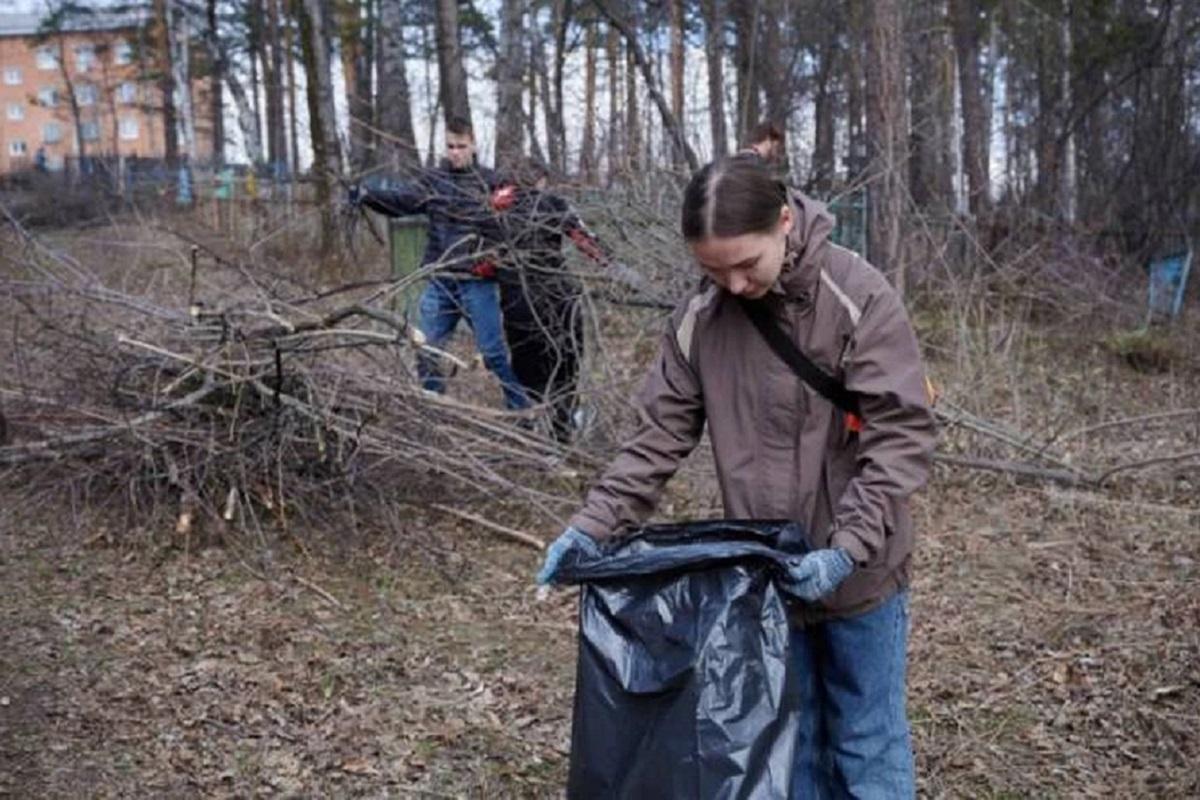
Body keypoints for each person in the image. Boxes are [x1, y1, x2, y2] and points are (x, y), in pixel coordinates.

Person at [537, 155, 937, 797]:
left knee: (866, 741)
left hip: (862, 573)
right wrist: (592, 528)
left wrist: (846, 549)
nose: (734, 286)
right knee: (791, 741)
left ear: (785, 222)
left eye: (746, 265)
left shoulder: (857, 297)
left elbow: (902, 436)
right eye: (713, 271)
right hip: (768, 579)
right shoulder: (702, 318)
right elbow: (655, 437)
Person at [351, 118, 529, 411]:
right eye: (450, 146)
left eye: (461, 146)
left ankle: (522, 411)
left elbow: (518, 219)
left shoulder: (492, 182)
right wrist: (368, 196)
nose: (455, 152)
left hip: (477, 281)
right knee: (426, 349)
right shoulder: (434, 180)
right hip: (441, 279)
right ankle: (435, 410)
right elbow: (402, 202)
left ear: (473, 145)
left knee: (493, 354)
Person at [492, 160, 611, 441]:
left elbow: (482, 264)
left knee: (526, 371)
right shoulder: (555, 204)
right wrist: (612, 266)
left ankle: (528, 430)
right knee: (565, 370)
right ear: (541, 180)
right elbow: (589, 244)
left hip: (517, 304)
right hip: (557, 301)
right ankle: (561, 431)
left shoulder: (495, 211)